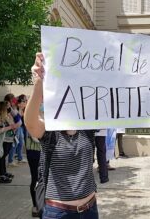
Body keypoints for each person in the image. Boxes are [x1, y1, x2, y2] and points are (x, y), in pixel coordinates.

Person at [25, 53, 99, 219]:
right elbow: (30, 122)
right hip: (58, 213)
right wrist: (38, 81)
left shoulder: (87, 127)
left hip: (90, 210)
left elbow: (123, 111)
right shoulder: (50, 131)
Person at [0, 102, 16, 183]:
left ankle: (4, 172)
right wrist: (10, 127)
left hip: (9, 139)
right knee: (0, 157)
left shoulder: (6, 115)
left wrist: (11, 123)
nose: (9, 108)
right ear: (4, 108)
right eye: (8, 107)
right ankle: (1, 176)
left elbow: (13, 124)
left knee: (4, 156)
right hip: (3, 140)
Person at [4, 93, 24, 167]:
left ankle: (12, 160)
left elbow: (18, 116)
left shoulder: (13, 107)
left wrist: (17, 107)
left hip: (16, 127)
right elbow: (16, 117)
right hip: (14, 128)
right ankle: (10, 161)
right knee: (13, 144)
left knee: (17, 143)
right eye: (13, 99)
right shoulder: (8, 107)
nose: (15, 100)